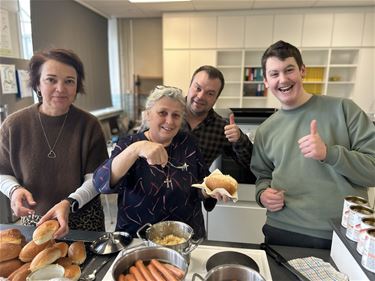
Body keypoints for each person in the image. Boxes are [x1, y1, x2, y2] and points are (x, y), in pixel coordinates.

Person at [250, 40, 375, 249]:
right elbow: (263, 177)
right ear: (266, 81)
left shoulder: (344, 110)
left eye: (289, 70)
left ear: (302, 71)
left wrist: (329, 154)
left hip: (340, 235)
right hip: (281, 231)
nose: (282, 79)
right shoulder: (265, 130)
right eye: (274, 74)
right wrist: (262, 194)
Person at [0, 48, 108, 234]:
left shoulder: (89, 125)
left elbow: (96, 179)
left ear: (77, 86)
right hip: (37, 220)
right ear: (37, 84)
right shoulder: (14, 125)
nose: (61, 88)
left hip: (84, 218)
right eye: (51, 80)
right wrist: (14, 190)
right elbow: (3, 171)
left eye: (69, 81)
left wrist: (69, 202)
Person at [93, 85, 218, 238]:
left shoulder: (188, 143)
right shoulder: (128, 144)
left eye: (176, 115)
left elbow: (201, 185)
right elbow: (100, 182)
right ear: (147, 115)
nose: (170, 121)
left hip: (185, 238)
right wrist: (136, 149)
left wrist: (210, 190)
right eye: (162, 113)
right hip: (138, 239)